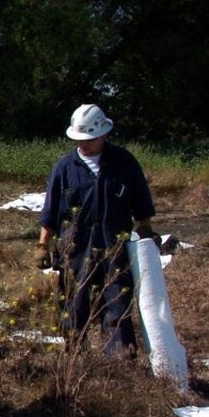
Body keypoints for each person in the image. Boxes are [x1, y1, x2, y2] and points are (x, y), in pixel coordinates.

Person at [35, 103, 157, 356]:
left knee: (117, 303)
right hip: (75, 249)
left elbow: (141, 204)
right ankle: (75, 359)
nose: (84, 144)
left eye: (90, 138)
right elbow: (50, 211)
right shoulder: (64, 167)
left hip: (115, 247)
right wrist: (42, 245)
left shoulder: (124, 163)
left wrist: (145, 230)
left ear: (104, 134)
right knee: (73, 305)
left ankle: (120, 361)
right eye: (79, 139)